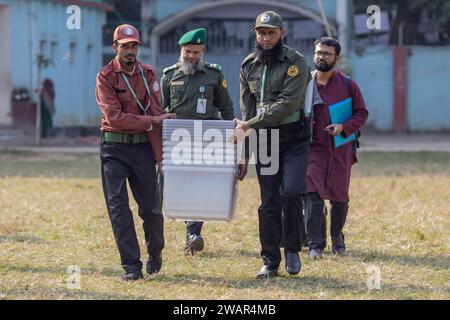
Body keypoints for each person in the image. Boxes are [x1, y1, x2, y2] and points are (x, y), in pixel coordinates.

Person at [96, 24, 175, 281]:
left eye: (134, 46)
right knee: (118, 208)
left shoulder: (148, 74)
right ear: (115, 47)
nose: (130, 51)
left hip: (142, 148)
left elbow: (156, 115)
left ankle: (155, 252)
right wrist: (151, 121)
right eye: (125, 46)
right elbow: (115, 118)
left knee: (151, 209)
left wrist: (160, 157)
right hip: (114, 148)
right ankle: (131, 266)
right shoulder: (106, 77)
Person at [235, 11, 311, 279]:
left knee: (291, 191)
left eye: (270, 33)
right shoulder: (248, 66)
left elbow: (288, 104)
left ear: (282, 33)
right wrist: (243, 155)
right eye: (260, 33)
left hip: (294, 136)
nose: (265, 38)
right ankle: (270, 261)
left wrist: (249, 124)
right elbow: (246, 112)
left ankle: (292, 248)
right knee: (269, 202)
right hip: (264, 137)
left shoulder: (297, 63)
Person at [160, 28, 235, 256]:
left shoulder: (214, 75)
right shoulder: (169, 76)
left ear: (203, 51)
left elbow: (226, 107)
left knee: (200, 183)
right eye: (187, 51)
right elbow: (159, 109)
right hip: (176, 141)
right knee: (178, 185)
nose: (191, 56)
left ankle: (193, 233)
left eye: (196, 52)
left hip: (205, 139)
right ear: (181, 50)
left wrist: (233, 137)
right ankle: (188, 232)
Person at [304, 37, 368, 260]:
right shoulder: (305, 84)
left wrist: (343, 127)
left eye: (326, 54)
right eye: (318, 53)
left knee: (339, 198)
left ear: (336, 59)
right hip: (313, 149)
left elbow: (362, 113)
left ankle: (337, 238)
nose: (321, 57)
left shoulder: (348, 85)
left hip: (340, 149)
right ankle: (315, 244)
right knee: (312, 193)